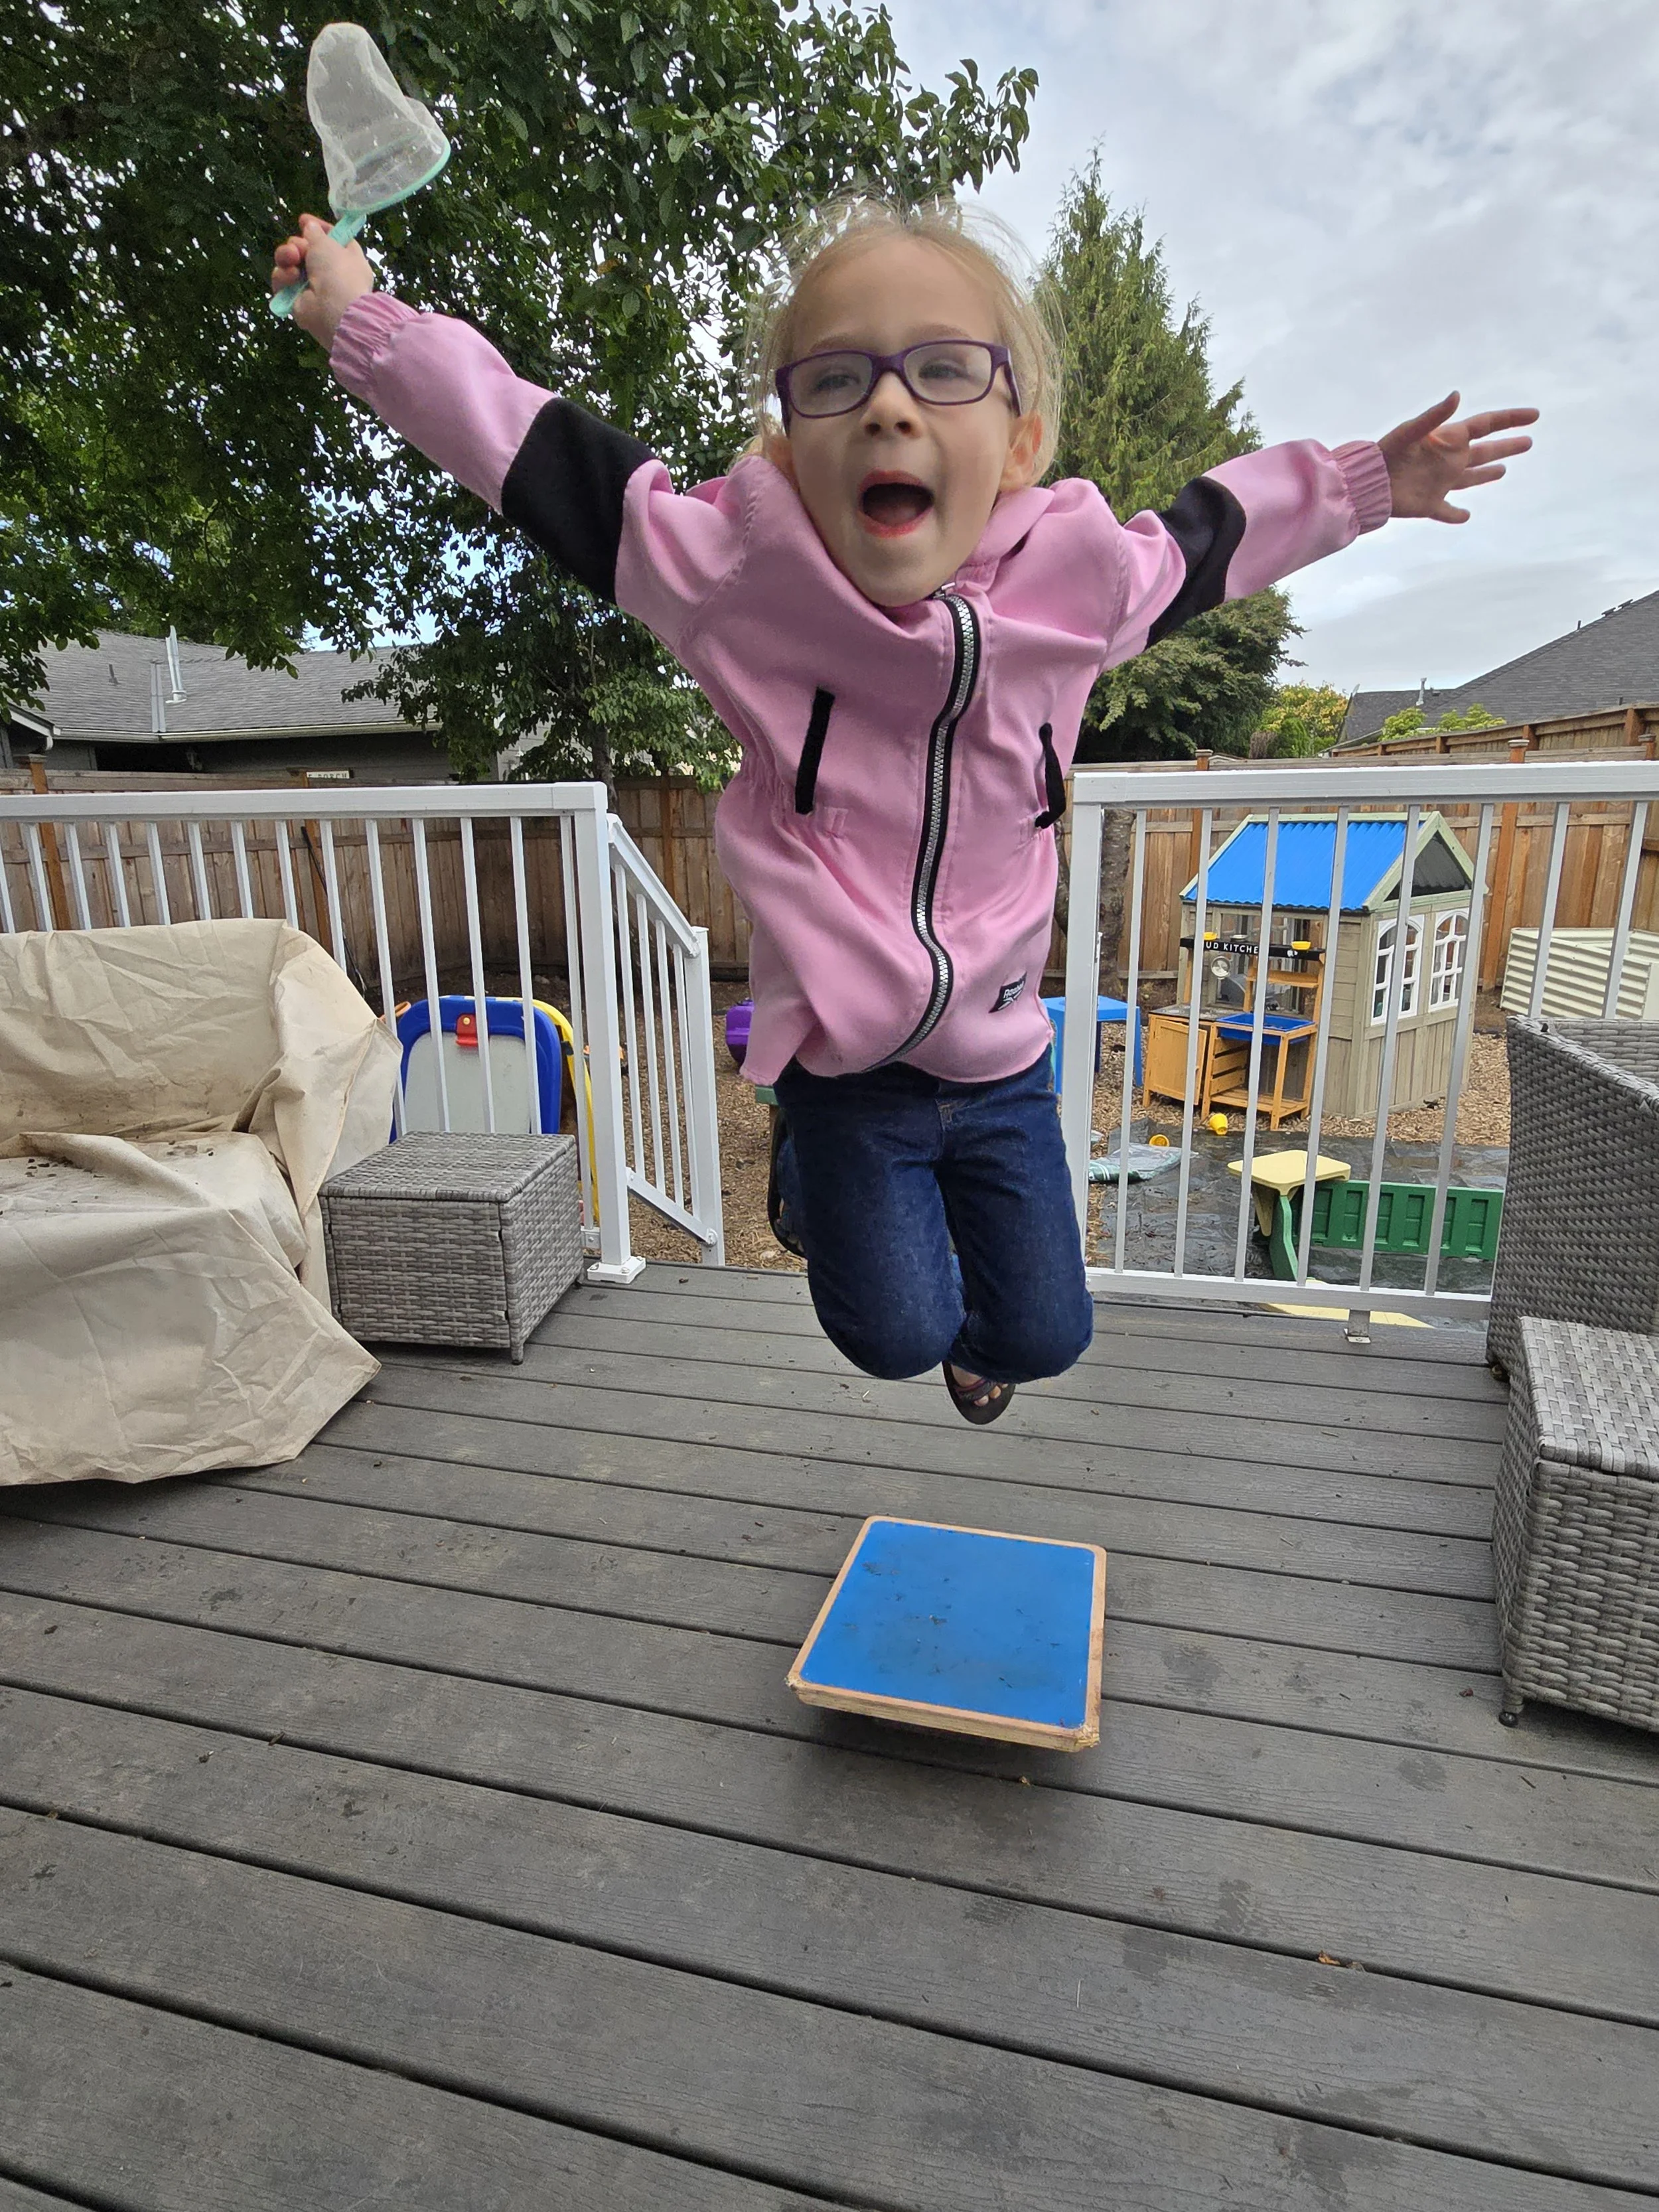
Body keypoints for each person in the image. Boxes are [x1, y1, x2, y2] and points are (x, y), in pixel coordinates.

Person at [271, 194, 1534, 1424]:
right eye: (834, 381)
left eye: (941, 370)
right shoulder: (740, 585)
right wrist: (365, 320)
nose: (886, 404)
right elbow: (538, 452)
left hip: (1001, 1062)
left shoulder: (1077, 590)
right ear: (785, 448)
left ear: (1022, 444)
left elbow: (1216, 532)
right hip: (848, 1068)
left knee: (1047, 1334)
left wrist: (1370, 482)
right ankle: (809, 1185)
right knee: (892, 1336)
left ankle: (959, 1306)